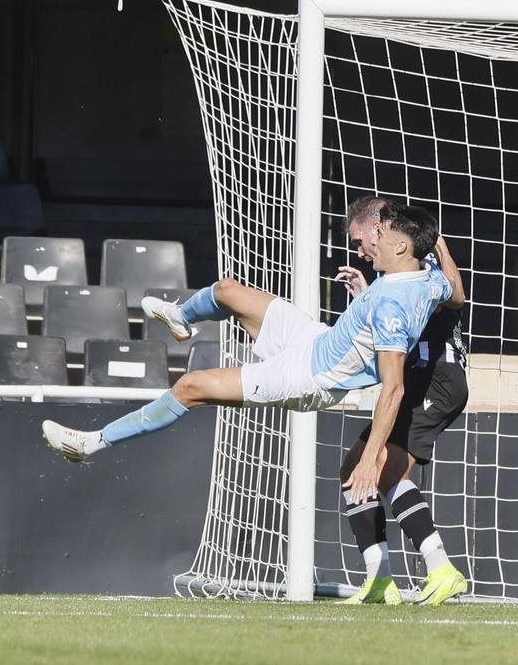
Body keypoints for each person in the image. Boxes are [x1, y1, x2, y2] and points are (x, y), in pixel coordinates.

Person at [42, 203, 457, 509]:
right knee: (227, 291)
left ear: (401, 246)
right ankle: (182, 320)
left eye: (380, 238)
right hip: (317, 338)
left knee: (191, 386)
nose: (371, 244)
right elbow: (457, 292)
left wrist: (369, 462)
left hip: (308, 375)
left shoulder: (392, 308)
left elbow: (394, 388)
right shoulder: (428, 277)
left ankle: (92, 443)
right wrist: (433, 239)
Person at [333, 195, 470, 606]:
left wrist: (440, 244)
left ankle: (442, 569)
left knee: (381, 470)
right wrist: (366, 296)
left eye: (361, 240)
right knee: (353, 470)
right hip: (419, 378)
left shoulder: (420, 261)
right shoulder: (394, 276)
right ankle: (380, 580)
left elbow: (456, 297)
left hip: (435, 378)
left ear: (382, 231)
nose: (359, 250)